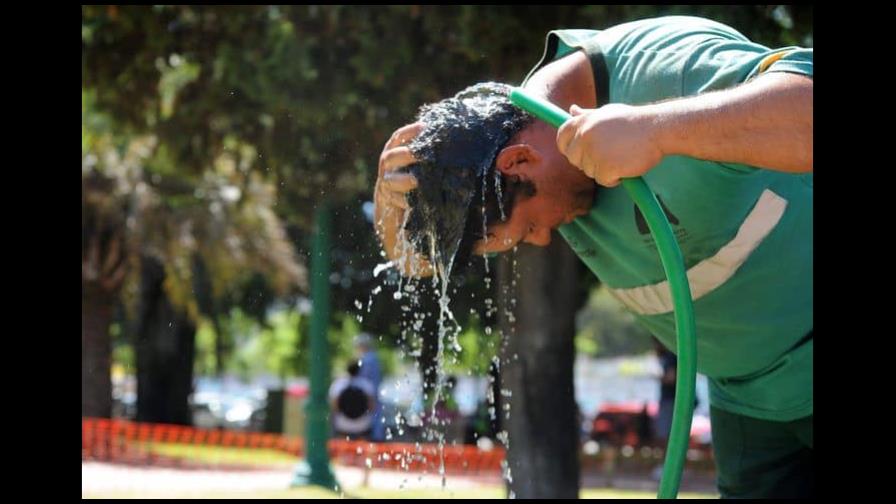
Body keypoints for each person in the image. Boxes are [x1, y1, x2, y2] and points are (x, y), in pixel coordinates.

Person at [374, 16, 812, 498]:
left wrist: (657, 131)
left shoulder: (658, 67)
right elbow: (415, 265)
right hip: (749, 403)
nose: (543, 240)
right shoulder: (529, 154)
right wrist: (393, 200)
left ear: (519, 162)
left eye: (530, 227)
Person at [328, 361, 376, 440]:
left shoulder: (338, 384)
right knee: (363, 451)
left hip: (342, 426)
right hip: (363, 426)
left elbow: (334, 407)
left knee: (342, 451)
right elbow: (372, 407)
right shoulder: (367, 384)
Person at [354, 333, 385, 441]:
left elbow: (363, 378)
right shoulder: (374, 358)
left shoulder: (366, 360)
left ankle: (374, 437)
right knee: (376, 415)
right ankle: (377, 436)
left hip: (369, 392)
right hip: (374, 391)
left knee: (370, 415)